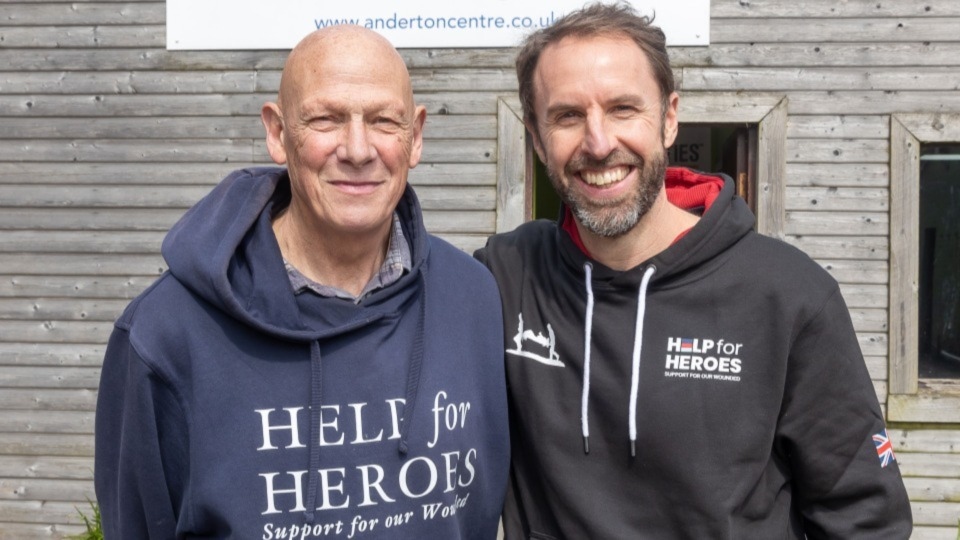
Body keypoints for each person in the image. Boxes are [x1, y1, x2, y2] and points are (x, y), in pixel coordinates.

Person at [475, 3, 912, 538]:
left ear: (669, 118)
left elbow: (865, 519)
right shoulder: (504, 277)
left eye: (622, 109)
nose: (598, 142)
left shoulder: (789, 295)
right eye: (567, 116)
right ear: (538, 140)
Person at [95, 26, 509, 539]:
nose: (358, 149)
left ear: (416, 136)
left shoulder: (472, 299)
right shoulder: (167, 333)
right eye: (326, 119)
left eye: (383, 121)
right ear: (277, 132)